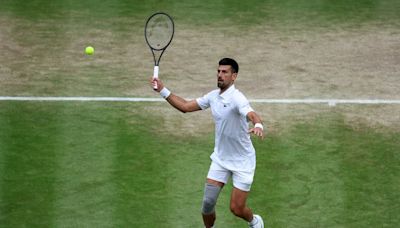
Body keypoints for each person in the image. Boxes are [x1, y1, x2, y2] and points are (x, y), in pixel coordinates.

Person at [150, 58, 265, 228]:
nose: (220, 75)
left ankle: (254, 221)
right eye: (218, 71)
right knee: (207, 204)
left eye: (224, 72)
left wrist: (258, 124)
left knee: (237, 209)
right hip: (220, 159)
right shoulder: (213, 97)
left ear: (234, 76)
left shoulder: (237, 98)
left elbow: (251, 113)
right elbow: (185, 106)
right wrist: (162, 89)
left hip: (243, 161)